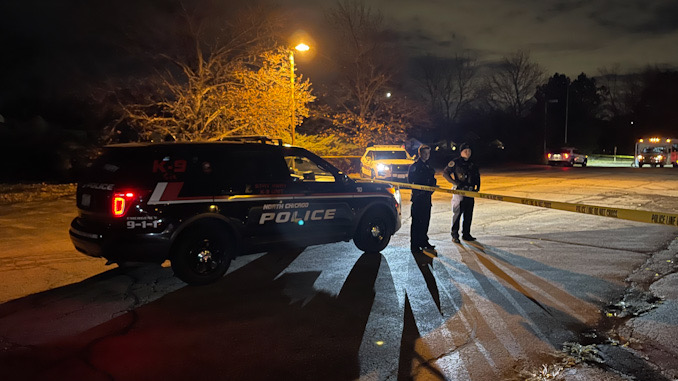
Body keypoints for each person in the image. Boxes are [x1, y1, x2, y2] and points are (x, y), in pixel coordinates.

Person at [443, 143, 480, 243]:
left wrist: (478, 186)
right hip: (459, 192)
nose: (468, 153)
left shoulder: (472, 163)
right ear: (461, 152)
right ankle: (455, 234)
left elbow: (477, 175)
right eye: (465, 151)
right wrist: (456, 183)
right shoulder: (456, 162)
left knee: (469, 214)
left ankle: (466, 234)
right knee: (458, 213)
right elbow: (445, 173)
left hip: (470, 192)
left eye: (469, 151)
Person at [408, 145, 437, 255]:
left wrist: (431, 189)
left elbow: (433, 180)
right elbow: (410, 181)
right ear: (420, 154)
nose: (426, 155)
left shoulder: (429, 166)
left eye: (428, 153)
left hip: (427, 198)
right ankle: (414, 245)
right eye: (424, 153)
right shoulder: (415, 166)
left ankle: (424, 242)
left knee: (425, 221)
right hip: (418, 198)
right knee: (416, 223)